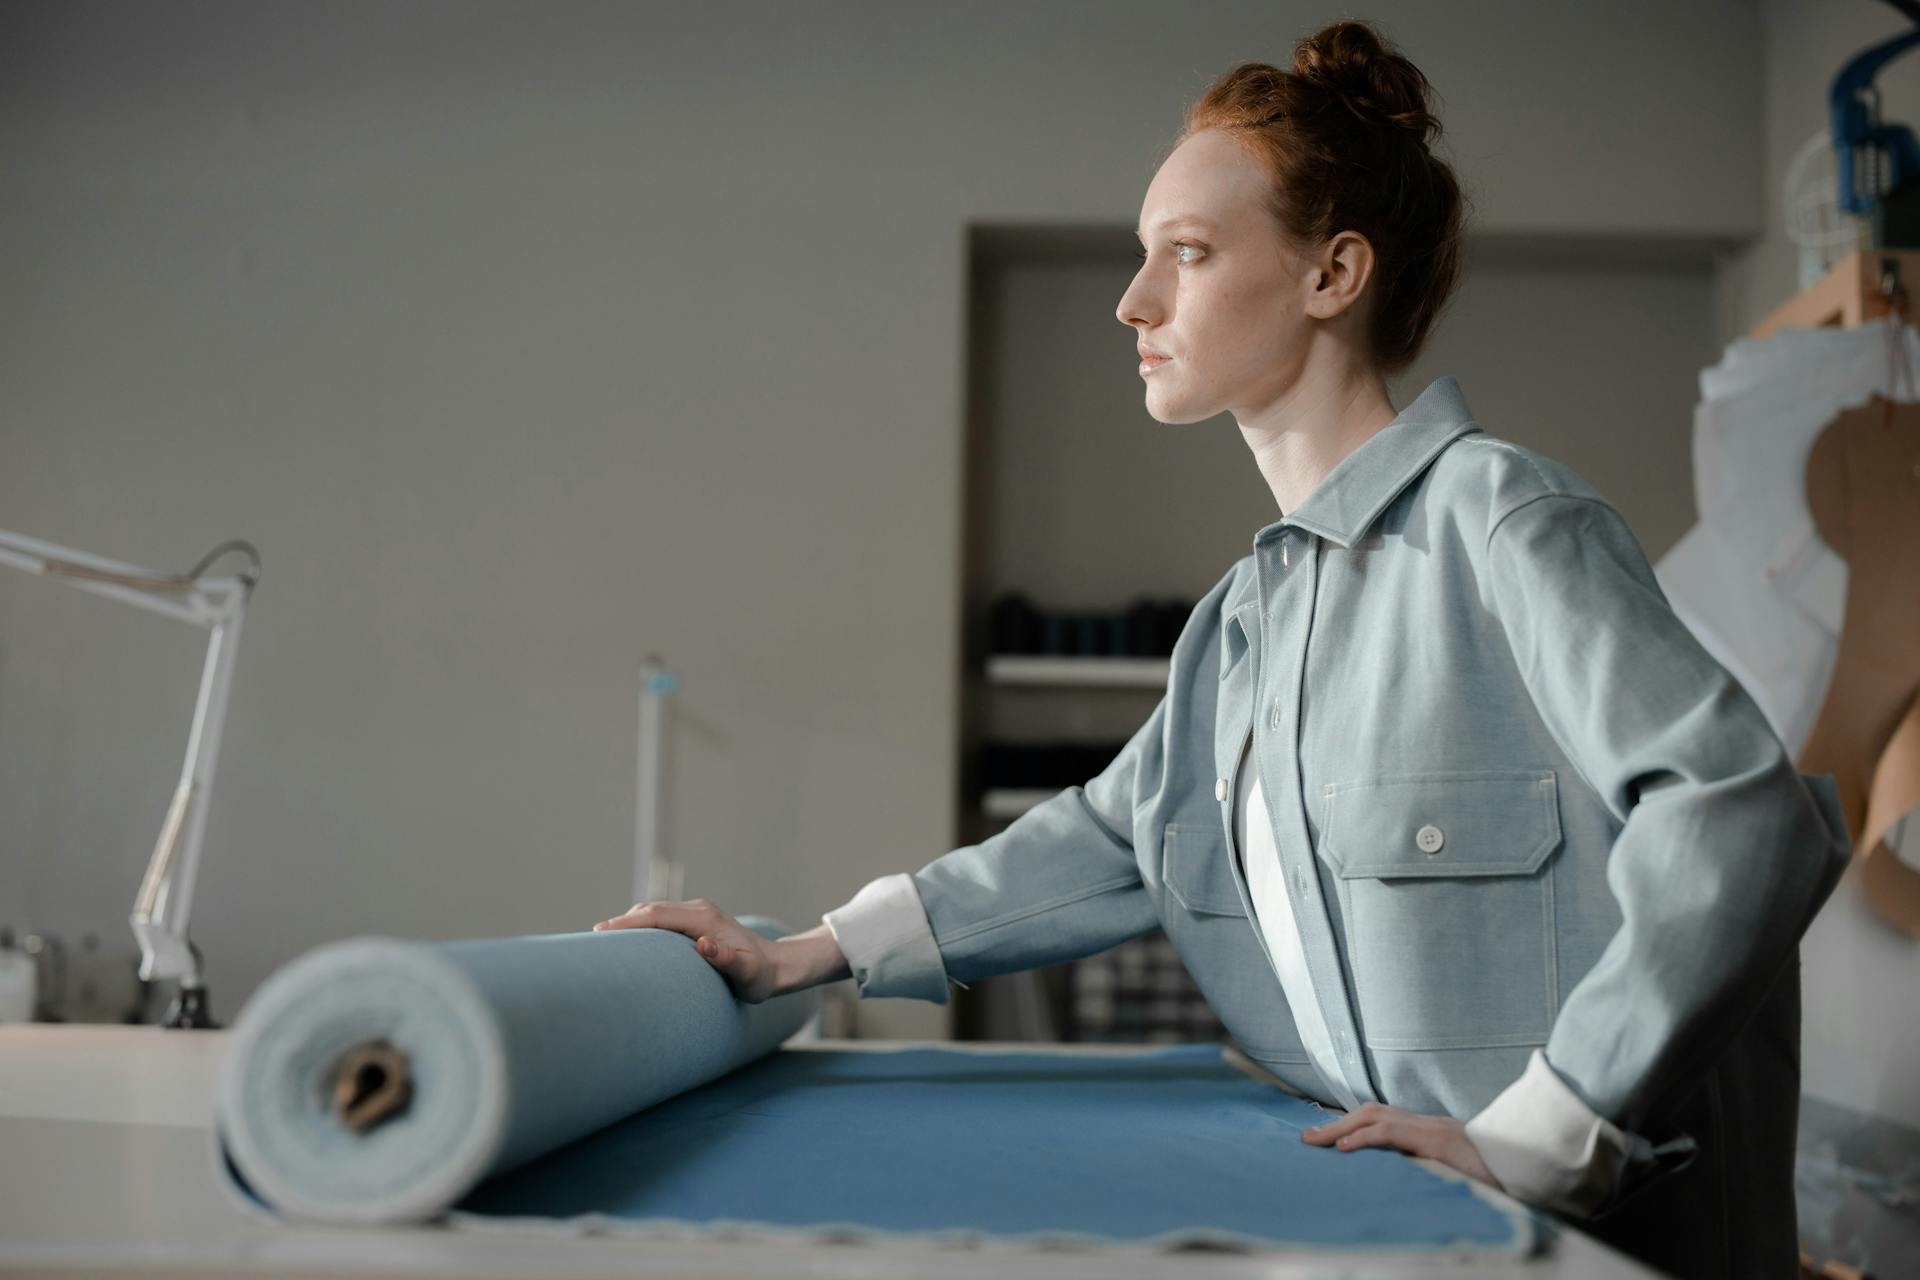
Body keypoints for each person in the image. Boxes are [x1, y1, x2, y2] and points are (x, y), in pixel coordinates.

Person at [593, 19, 1850, 1279]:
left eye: (1186, 254)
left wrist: (1544, 1131)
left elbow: (1741, 814)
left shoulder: (1505, 519)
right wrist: (807, 950)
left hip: (1587, 1243)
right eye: (1146, 257)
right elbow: (1103, 836)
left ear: (1331, 273)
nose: (1135, 301)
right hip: (1406, 1239)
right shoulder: (1244, 623)